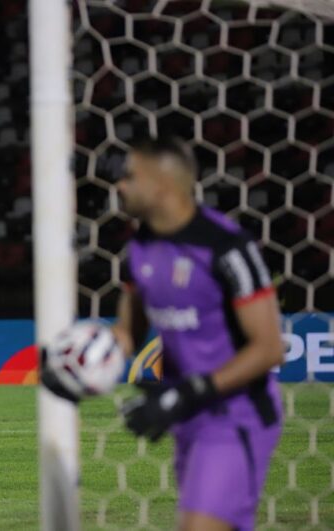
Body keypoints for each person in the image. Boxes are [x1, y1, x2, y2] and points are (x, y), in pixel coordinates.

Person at [112, 136, 284, 531]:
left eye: (129, 176)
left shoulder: (226, 246)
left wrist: (189, 393)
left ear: (162, 185)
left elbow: (269, 347)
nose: (119, 186)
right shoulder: (139, 248)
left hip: (237, 413)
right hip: (188, 418)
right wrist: (82, 357)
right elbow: (128, 333)